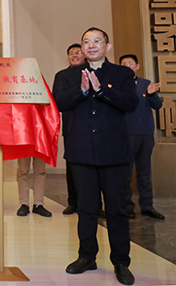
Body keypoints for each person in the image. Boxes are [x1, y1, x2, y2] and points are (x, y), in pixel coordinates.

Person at [54, 27, 138, 285]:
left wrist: (101, 91)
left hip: (114, 153)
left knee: (117, 210)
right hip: (81, 153)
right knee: (86, 209)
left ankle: (121, 262)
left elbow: (130, 103)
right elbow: (59, 103)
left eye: (97, 41)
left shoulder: (122, 74)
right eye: (86, 41)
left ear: (107, 46)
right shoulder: (66, 76)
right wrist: (81, 91)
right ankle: (86, 256)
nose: (91, 45)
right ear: (81, 47)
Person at [53, 44, 106, 218]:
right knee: (72, 167)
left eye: (78, 52)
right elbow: (57, 101)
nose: (74, 55)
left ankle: (97, 205)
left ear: (84, 55)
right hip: (72, 127)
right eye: (71, 53)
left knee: (96, 166)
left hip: (94, 128)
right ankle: (73, 202)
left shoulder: (94, 72)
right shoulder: (62, 76)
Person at [119, 54, 164, 220]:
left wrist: (151, 94)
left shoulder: (146, 84)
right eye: (124, 64)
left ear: (137, 66)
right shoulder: (117, 85)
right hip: (126, 135)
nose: (128, 66)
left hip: (145, 134)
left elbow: (157, 105)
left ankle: (147, 206)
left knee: (144, 172)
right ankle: (127, 206)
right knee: (125, 173)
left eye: (131, 63)